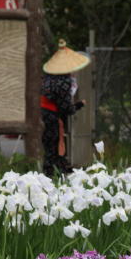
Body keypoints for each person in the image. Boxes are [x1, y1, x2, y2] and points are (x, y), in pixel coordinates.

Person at [41, 39, 90, 177]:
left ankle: (56, 168)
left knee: (50, 144)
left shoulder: (48, 77)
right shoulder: (64, 81)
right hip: (51, 115)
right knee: (54, 144)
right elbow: (65, 108)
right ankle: (52, 173)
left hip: (42, 113)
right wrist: (79, 105)